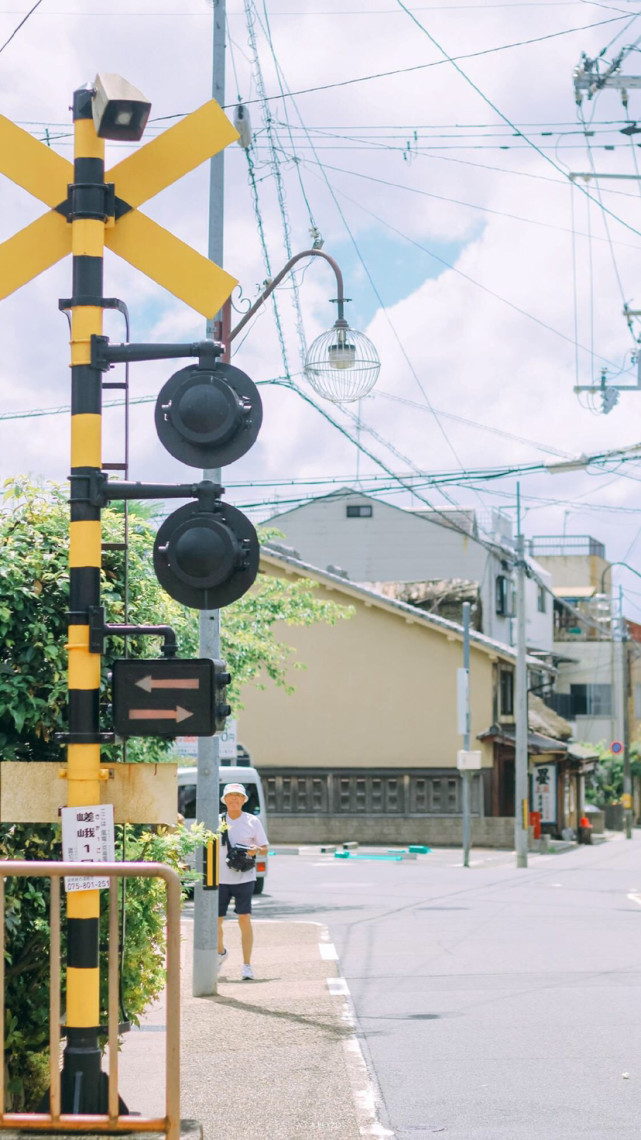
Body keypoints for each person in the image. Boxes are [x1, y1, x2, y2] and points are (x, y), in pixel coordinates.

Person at [217, 782, 269, 980]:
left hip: (244, 877)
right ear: (224, 800)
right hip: (220, 878)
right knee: (216, 921)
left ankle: (247, 965)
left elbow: (264, 847)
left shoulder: (252, 821)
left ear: (244, 800)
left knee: (244, 918)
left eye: (238, 796)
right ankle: (220, 953)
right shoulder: (217, 820)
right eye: (230, 796)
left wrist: (256, 850)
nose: (234, 799)